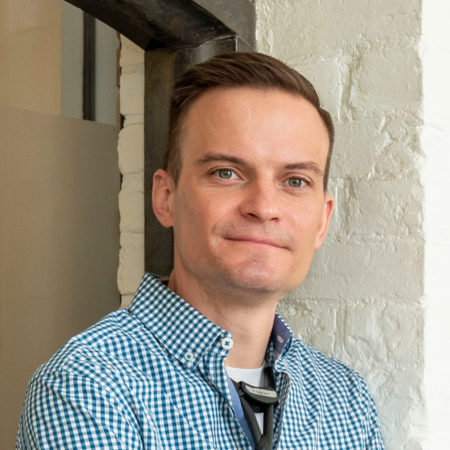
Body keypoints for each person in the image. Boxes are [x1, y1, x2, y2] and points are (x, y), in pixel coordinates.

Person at [16, 52, 384, 449]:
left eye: (295, 181)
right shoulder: (89, 385)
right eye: (226, 173)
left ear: (322, 221)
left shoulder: (345, 398)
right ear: (165, 197)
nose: (264, 207)